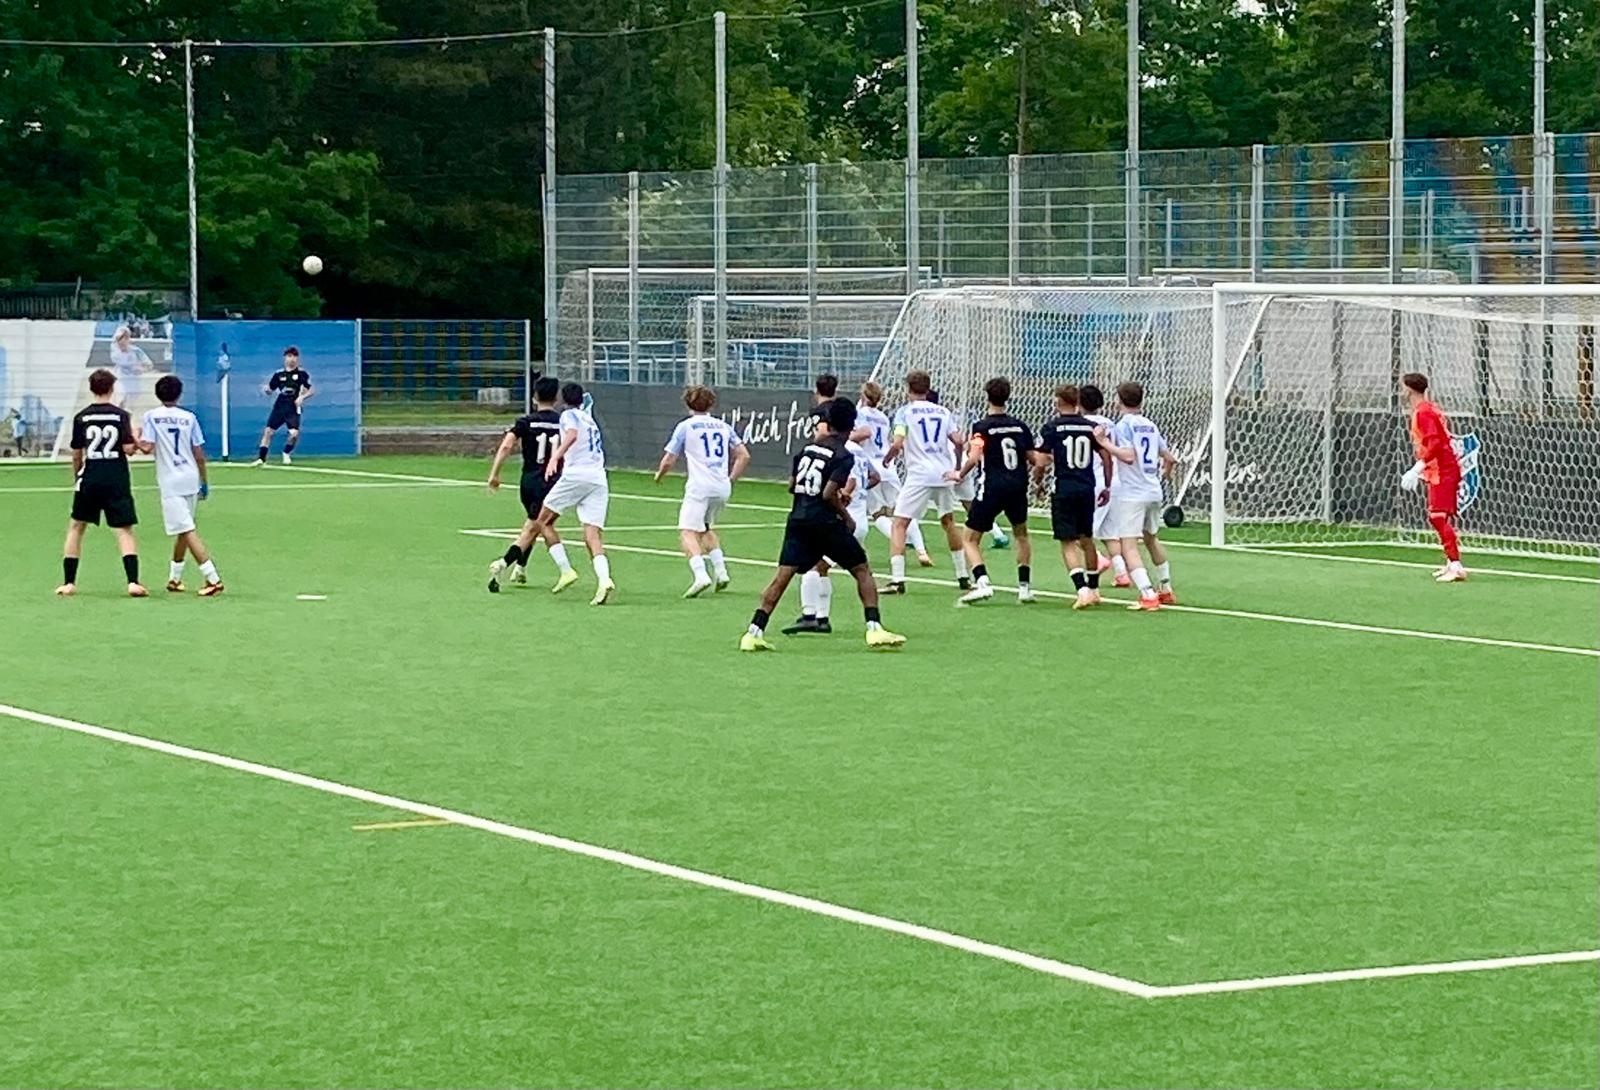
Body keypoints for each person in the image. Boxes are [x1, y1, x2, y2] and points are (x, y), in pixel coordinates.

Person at [740, 398, 905, 651]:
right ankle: (874, 628)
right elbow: (828, 494)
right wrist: (846, 516)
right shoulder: (843, 455)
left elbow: (792, 486)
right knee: (861, 570)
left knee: (782, 577)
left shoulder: (807, 450)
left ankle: (753, 632)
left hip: (798, 519)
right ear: (852, 425)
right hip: (825, 522)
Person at [56, 369, 145, 598]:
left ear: (91, 388)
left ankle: (69, 583)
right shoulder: (121, 416)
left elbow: (77, 453)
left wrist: (78, 476)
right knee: (124, 530)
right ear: (112, 388)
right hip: (116, 478)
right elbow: (128, 449)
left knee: (76, 527)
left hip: (91, 477)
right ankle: (133, 582)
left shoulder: (82, 417)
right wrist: (136, 437)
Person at [946, 377, 1036, 604]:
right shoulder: (1020, 426)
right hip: (1018, 486)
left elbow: (974, 457)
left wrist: (959, 474)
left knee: (969, 538)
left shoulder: (981, 428)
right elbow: (1033, 458)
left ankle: (982, 582)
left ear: (987, 396)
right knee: (1021, 534)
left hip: (992, 487)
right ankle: (1024, 588)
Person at [655, 384, 748, 597]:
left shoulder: (686, 427)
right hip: (721, 487)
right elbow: (744, 455)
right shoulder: (723, 426)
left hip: (700, 486)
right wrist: (730, 479)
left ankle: (700, 575)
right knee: (705, 528)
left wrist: (659, 475)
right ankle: (721, 572)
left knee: (687, 531)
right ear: (711, 404)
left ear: (688, 404)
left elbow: (669, 458)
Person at [486, 376, 577, 593]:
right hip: (554, 482)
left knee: (535, 523)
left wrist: (494, 474)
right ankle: (503, 564)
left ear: (535, 397)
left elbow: (506, 446)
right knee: (536, 526)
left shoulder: (525, 422)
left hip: (529, 482)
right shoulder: (563, 422)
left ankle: (520, 567)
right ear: (556, 398)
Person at [786, 427, 880, 634]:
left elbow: (851, 481)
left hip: (843, 521)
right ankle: (822, 618)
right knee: (824, 568)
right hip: (859, 518)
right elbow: (874, 477)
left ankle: (810, 616)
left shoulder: (840, 452)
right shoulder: (857, 450)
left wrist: (843, 497)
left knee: (814, 566)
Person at [882, 370, 968, 593]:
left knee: (899, 523)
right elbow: (959, 441)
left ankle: (897, 580)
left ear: (908, 389)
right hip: (943, 472)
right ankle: (963, 576)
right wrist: (957, 467)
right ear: (928, 389)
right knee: (948, 521)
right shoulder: (943, 411)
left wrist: (888, 458)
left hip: (920, 474)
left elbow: (898, 442)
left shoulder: (905, 412)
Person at [137, 375, 224, 596]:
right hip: (190, 477)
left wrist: (135, 436)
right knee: (184, 529)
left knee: (186, 529)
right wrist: (204, 481)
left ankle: (213, 578)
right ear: (179, 394)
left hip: (171, 481)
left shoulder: (151, 417)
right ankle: (175, 579)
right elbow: (199, 453)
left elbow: (147, 447)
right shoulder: (189, 418)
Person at [1034, 385, 1116, 609]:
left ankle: (1081, 590)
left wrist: (1038, 482)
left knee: (1068, 542)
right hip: (1086, 487)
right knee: (1087, 539)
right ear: (1077, 402)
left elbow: (1040, 462)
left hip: (1064, 488)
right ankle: (1094, 589)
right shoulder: (1091, 427)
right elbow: (1106, 457)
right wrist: (1107, 485)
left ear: (1058, 402)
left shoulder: (1052, 427)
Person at [1098, 381, 1178, 611]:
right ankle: (1166, 588)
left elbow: (1128, 456)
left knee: (1128, 545)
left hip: (1133, 493)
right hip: (1153, 490)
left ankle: (1147, 594)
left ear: (1119, 400)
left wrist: (1104, 443)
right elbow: (1170, 458)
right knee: (1151, 538)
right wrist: (1166, 474)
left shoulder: (1123, 425)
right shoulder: (1150, 425)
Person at [534, 382, 615, 605]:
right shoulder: (589, 419)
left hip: (577, 475)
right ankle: (604, 579)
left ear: (563, 399)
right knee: (592, 535)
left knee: (543, 521)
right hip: (598, 478)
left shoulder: (568, 415)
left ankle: (566, 570)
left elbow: (571, 435)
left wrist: (555, 457)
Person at [854, 381, 931, 565]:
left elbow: (863, 434)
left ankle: (900, 541)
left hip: (871, 468)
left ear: (863, 396)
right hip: (888, 466)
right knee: (902, 510)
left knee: (878, 514)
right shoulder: (883, 417)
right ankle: (921, 551)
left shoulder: (859, 414)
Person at [1400, 372, 1467, 582]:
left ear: (1409, 389)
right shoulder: (1428, 409)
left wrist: (1417, 467)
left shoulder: (1424, 412)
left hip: (1443, 470)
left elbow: (1436, 443)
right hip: (1439, 469)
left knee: (1437, 516)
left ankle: (1456, 565)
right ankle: (1450, 562)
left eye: (1402, 387)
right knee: (1440, 516)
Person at [1080, 384, 1125, 586]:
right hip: (1114, 480)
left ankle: (1098, 559)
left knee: (1080, 532)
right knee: (1109, 532)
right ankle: (1122, 573)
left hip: (1095, 481)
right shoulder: (1111, 424)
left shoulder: (1083, 425)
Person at [253, 346, 313, 465]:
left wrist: (302, 397)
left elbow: (311, 390)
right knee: (268, 432)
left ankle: (286, 452)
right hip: (280, 406)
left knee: (294, 434)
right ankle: (261, 459)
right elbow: (270, 389)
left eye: (294, 356)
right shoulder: (279, 374)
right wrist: (266, 390)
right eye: (289, 356)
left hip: (293, 407)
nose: (292, 359)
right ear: (285, 358)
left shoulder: (302, 374)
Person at [108, 325, 153, 411]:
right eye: (119, 339)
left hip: (134, 384)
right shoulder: (115, 353)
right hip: (120, 381)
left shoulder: (136, 351)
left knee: (129, 407)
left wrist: (141, 369)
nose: (122, 341)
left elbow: (149, 365)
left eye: (125, 338)